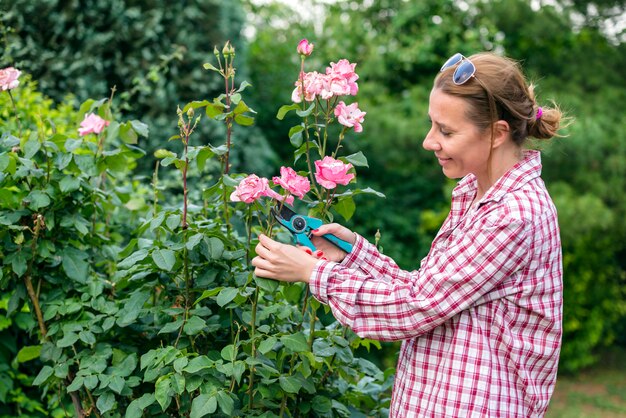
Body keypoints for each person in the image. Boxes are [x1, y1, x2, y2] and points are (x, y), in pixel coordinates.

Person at [252, 52, 565, 417]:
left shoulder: (513, 215)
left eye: (446, 131)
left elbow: (416, 307)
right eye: (432, 125)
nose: (429, 141)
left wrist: (313, 273)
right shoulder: (477, 196)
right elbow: (429, 292)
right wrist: (352, 254)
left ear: (497, 133)